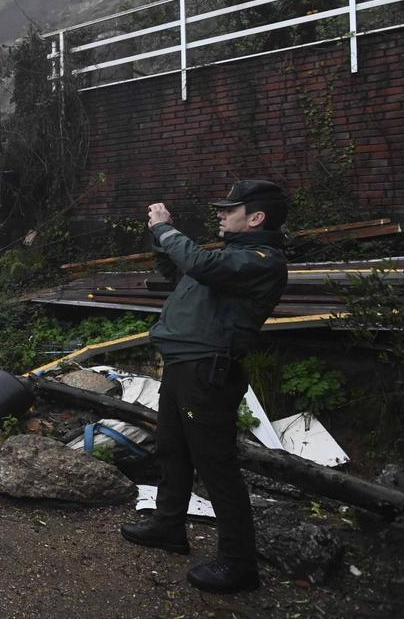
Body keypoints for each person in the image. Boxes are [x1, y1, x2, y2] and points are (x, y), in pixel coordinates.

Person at [120, 180, 289, 594]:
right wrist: (164, 240)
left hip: (208, 372)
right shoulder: (227, 257)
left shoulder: (262, 260)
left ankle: (238, 564)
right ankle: (168, 526)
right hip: (182, 365)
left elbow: (200, 266)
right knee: (172, 450)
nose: (220, 213)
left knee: (216, 467)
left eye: (229, 209)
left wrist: (166, 230)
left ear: (256, 217)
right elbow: (180, 270)